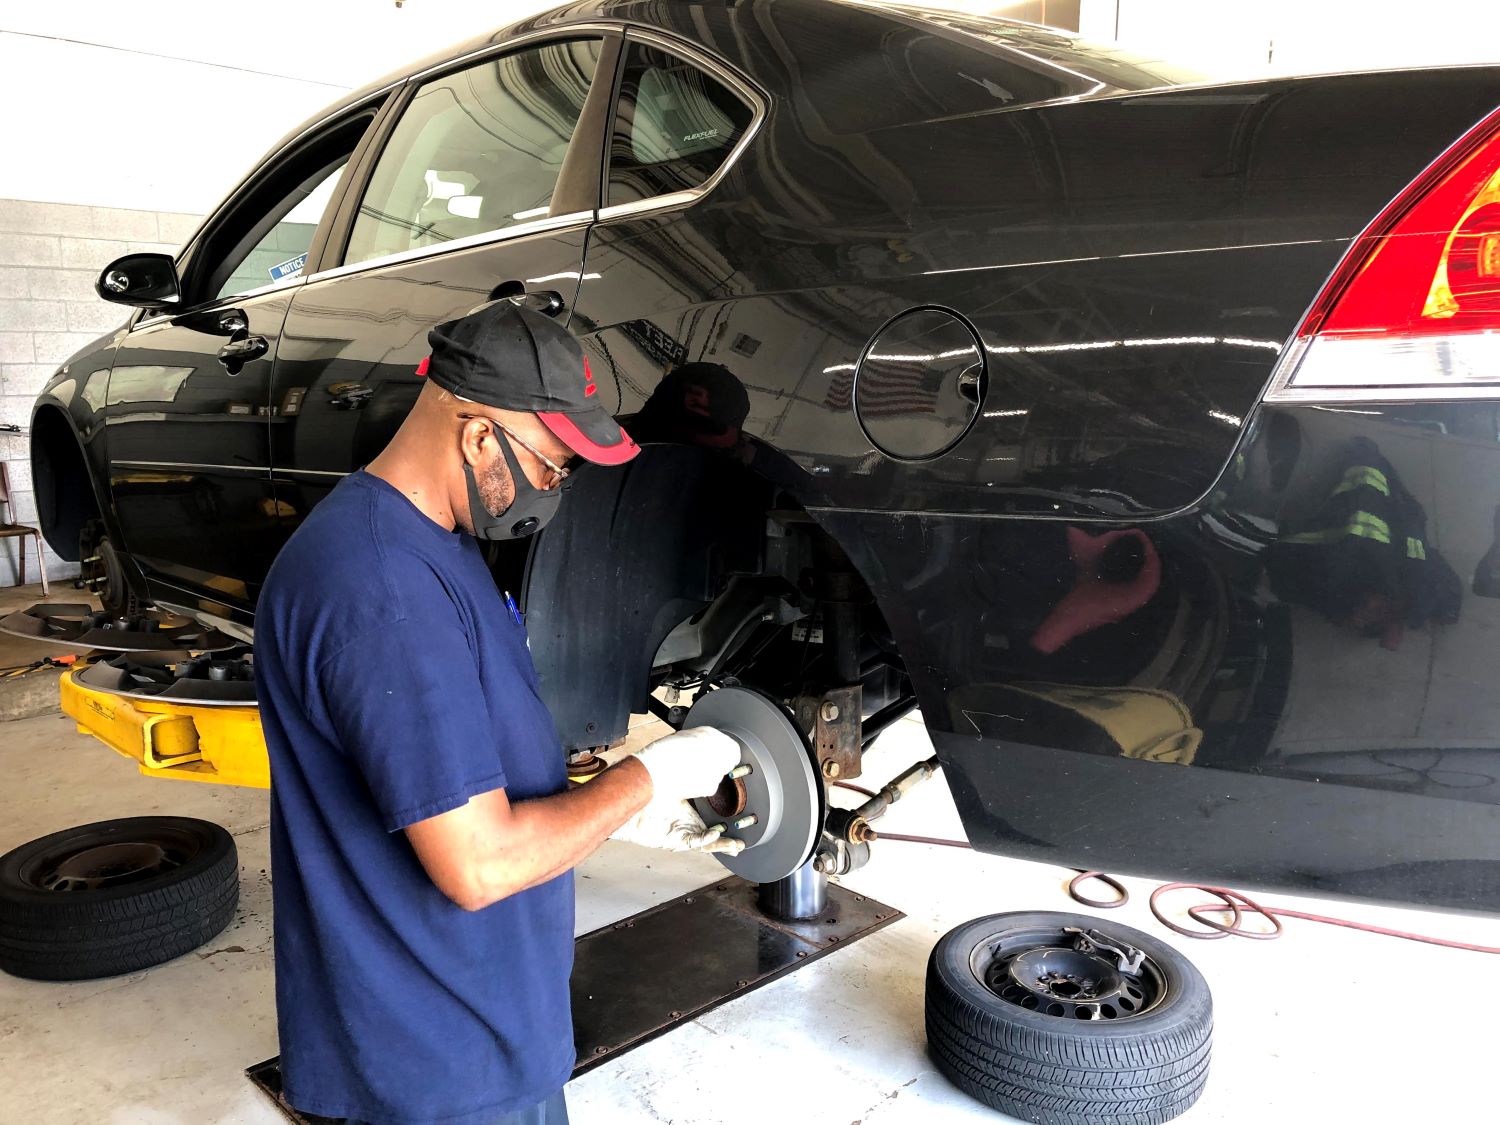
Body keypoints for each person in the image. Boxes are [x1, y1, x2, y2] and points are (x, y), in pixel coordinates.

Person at [254, 301, 744, 1125]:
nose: (554, 489)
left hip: (474, 1020)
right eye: (553, 465)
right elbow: (477, 865)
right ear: (479, 435)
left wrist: (587, 791)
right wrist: (650, 777)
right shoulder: (380, 593)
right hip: (440, 1064)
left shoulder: (429, 538)